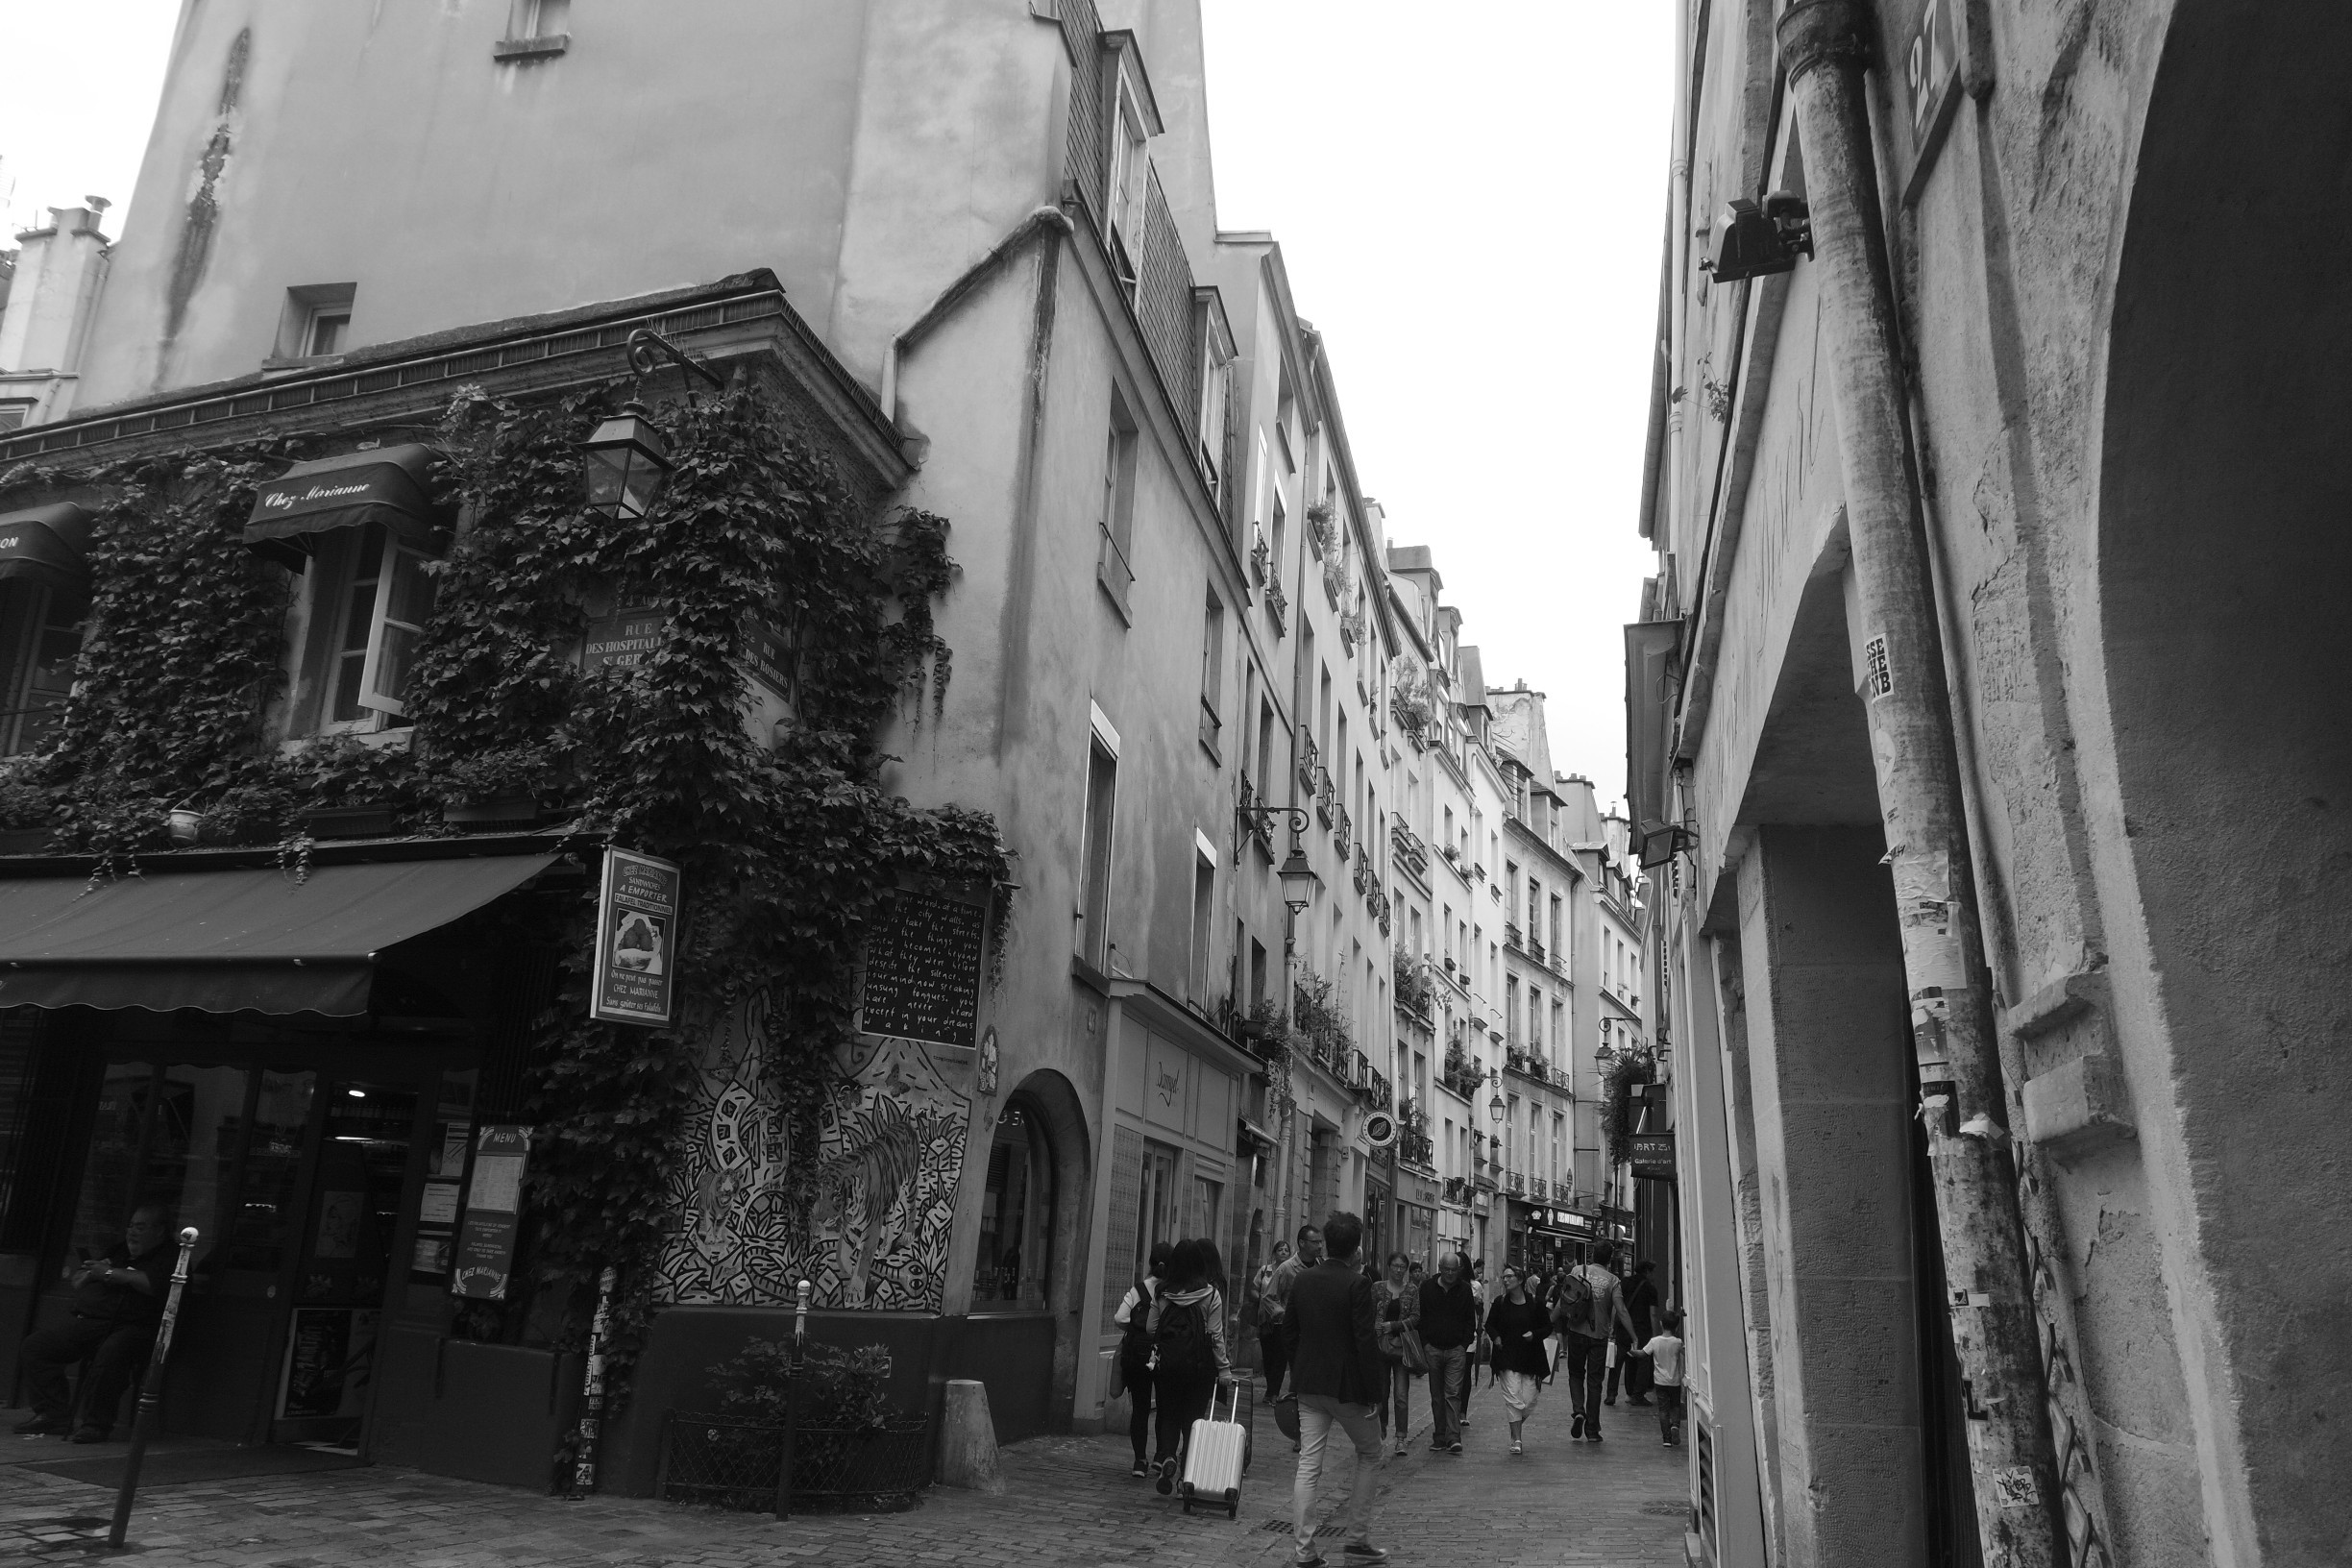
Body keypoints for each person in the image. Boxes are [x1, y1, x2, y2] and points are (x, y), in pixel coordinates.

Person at [12, 1206, 176, 1441]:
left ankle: (96, 1425)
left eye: (140, 1227)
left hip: (136, 1327)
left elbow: (155, 1284)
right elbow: (78, 1280)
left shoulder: (170, 1256)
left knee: (111, 1353)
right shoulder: (119, 1250)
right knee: (37, 1346)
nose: (132, 1232)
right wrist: (93, 1272)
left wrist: (111, 1273)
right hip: (92, 1321)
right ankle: (53, 1415)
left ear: (159, 1231)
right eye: (130, 1226)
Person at [1282, 1212, 1389, 1566]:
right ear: (1356, 1248)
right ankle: (1356, 1540)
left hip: (1310, 1384)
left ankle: (1304, 1551)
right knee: (1370, 1453)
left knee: (1309, 1465)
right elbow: (1364, 1341)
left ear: (1326, 1244)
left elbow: (1289, 1331)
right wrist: (1376, 1392)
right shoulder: (1357, 1284)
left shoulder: (1304, 1279)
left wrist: (1300, 1367)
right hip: (1346, 1388)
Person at [1149, 1238, 1235, 1495]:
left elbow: (1151, 1328)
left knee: (1169, 1414)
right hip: (1200, 1367)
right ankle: (1186, 1475)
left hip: (1167, 1366)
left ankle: (1167, 1456)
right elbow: (1215, 1335)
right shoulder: (1210, 1294)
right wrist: (1224, 1369)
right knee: (1193, 1419)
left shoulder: (1162, 1292)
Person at [1553, 1249, 1635, 1443]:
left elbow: (1563, 1302)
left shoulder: (1576, 1271)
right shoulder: (1613, 1280)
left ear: (1591, 1257)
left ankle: (1578, 1411)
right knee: (1595, 1381)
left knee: (1575, 1374)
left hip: (1576, 1331)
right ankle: (1592, 1430)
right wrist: (1634, 1336)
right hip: (1599, 1335)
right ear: (1609, 1260)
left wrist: (1548, 1323)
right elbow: (1621, 1310)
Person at [1113, 1240, 1173, 1478]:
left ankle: (1140, 1461)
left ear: (1150, 1262)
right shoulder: (1174, 1290)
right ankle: (1160, 1456)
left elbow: (1119, 1318)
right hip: (1165, 1355)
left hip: (1138, 1356)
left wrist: (1138, 1325)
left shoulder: (1138, 1290)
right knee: (1165, 1408)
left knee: (1140, 1408)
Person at [1482, 1263, 1552, 1456]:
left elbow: (1547, 1327)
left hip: (1531, 1359)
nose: (1505, 1280)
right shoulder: (1500, 1303)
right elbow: (1490, 1325)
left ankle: (1515, 1427)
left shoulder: (1535, 1303)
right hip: (1506, 1357)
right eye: (1504, 1277)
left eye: (1509, 1276)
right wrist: (1496, 1337)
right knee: (1513, 1397)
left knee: (1528, 1401)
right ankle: (1517, 1439)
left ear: (1520, 1279)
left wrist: (1534, 1335)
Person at [1415, 1250, 1477, 1454]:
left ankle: (1453, 1437)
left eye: (1454, 1270)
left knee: (1453, 1393)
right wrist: (1425, 1343)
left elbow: (1470, 1320)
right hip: (1433, 1348)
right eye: (1447, 1269)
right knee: (1436, 1396)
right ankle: (1440, 1436)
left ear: (1459, 1270)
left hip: (1455, 1350)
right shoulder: (1427, 1288)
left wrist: (1463, 1344)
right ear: (1440, 1268)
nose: (1450, 1273)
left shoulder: (1464, 1289)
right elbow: (1421, 1317)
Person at [1260, 1225, 1321, 1405]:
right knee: (1292, 1366)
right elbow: (1268, 1297)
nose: (1319, 1246)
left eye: (1321, 1242)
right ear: (1302, 1243)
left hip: (1314, 1329)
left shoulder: (1321, 1266)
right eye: (1315, 1242)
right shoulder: (1287, 1268)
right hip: (1292, 1330)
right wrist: (1284, 1315)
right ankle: (1293, 1402)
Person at [1372, 1251, 1420, 1458]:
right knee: (1381, 1393)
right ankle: (1380, 1429)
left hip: (1401, 1348)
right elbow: (1369, 1313)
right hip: (1380, 1347)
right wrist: (1376, 1328)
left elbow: (1416, 1317)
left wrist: (1394, 1325)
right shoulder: (1377, 1288)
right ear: (1389, 1267)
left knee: (1401, 1395)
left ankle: (1401, 1438)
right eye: (1395, 1266)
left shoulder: (1412, 1290)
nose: (1399, 1270)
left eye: (1402, 1267)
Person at [1629, 1309, 1687, 1446]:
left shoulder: (1654, 1341)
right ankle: (1675, 1425)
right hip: (1674, 1381)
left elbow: (1642, 1353)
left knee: (1663, 1409)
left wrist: (1631, 1351)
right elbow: (1686, 1353)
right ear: (1676, 1327)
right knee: (1675, 1406)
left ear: (1661, 1324)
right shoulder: (1678, 1342)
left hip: (1660, 1381)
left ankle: (1666, 1439)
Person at [1613, 1260, 1661, 1406]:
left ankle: (1628, 1393)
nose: (1654, 1275)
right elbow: (1653, 1314)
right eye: (1652, 1272)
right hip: (1642, 1329)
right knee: (1643, 1360)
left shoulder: (1624, 1282)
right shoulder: (1650, 1288)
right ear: (1647, 1271)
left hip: (1624, 1327)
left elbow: (1617, 1305)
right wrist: (1655, 1335)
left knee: (1628, 1359)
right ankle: (1638, 1394)